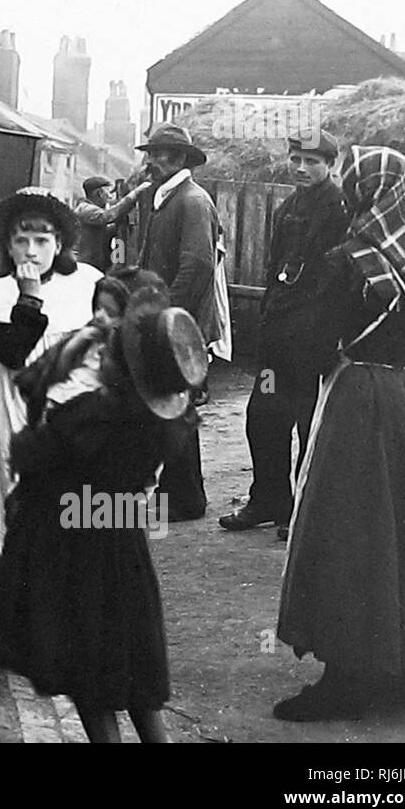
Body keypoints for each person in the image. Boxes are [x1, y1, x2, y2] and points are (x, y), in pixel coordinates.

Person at [275, 146, 405, 721]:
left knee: (349, 533)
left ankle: (345, 680)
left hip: (361, 401)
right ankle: (394, 669)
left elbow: (304, 346)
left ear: (365, 195)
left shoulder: (347, 260)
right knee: (404, 534)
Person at [0, 288, 207, 743]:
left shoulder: (92, 415)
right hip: (122, 545)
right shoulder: (157, 423)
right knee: (138, 684)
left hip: (76, 551)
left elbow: (31, 450)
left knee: (91, 682)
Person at [220, 133, 347, 538]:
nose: (301, 168)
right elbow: (276, 267)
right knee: (264, 415)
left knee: (308, 421)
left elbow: (334, 278)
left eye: (312, 161)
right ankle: (269, 499)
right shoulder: (290, 204)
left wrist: (326, 333)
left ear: (330, 164)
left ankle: (305, 510)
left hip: (313, 339)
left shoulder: (339, 208)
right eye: (296, 159)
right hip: (278, 336)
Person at [0, 189, 102, 545]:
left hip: (74, 419)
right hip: (17, 420)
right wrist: (29, 297)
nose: (30, 250)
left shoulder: (86, 284)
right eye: (21, 240)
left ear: (58, 245)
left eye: (41, 240)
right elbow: (13, 355)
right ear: (8, 247)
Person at [135, 124, 219, 521]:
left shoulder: (193, 201)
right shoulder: (162, 197)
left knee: (179, 402)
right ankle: (177, 494)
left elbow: (198, 264)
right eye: (151, 153)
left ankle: (185, 499)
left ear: (183, 159)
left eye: (163, 154)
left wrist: (170, 318)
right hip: (165, 316)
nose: (153, 161)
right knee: (169, 399)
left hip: (180, 322)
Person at [74, 175, 149, 271]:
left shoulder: (91, 210)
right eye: (108, 191)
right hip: (87, 264)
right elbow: (108, 216)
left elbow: (106, 231)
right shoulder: (85, 209)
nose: (110, 195)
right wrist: (134, 194)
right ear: (100, 193)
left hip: (95, 263)